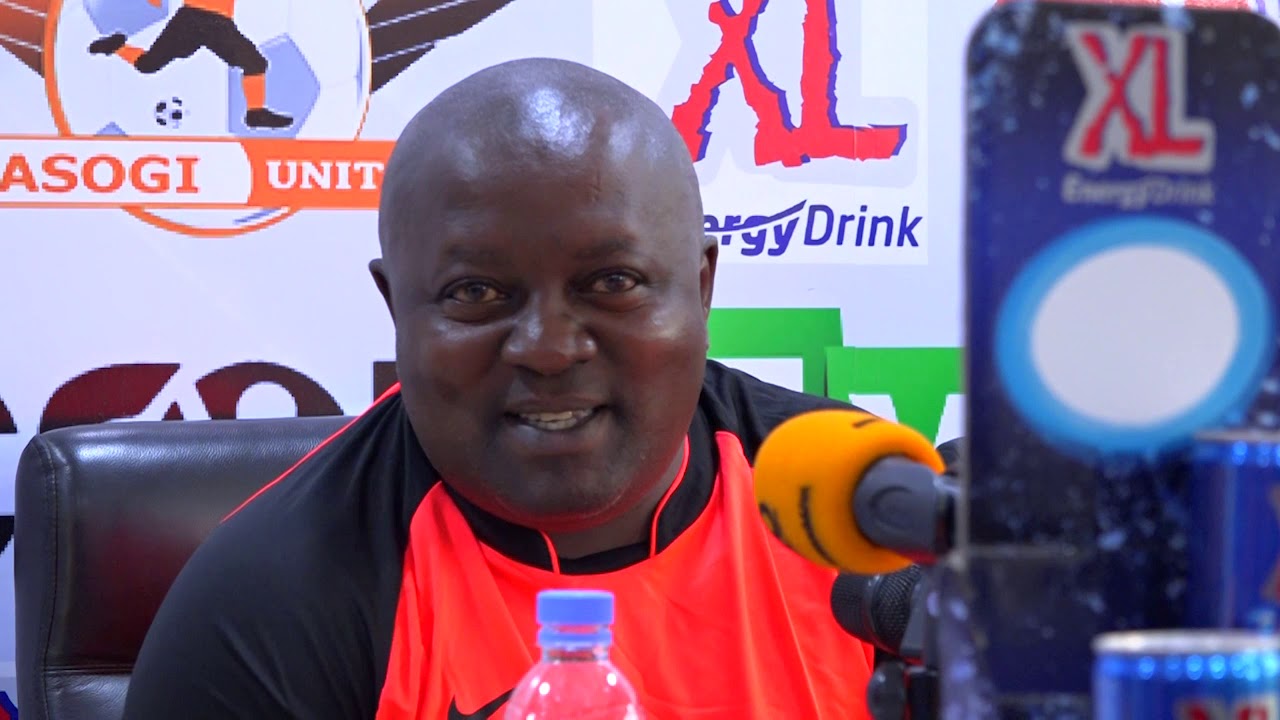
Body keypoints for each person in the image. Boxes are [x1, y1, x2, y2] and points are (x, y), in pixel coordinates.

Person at [122, 57, 896, 719]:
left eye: (613, 282)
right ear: (397, 309)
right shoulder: (269, 599)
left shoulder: (858, 512)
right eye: (476, 293)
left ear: (700, 288)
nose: (549, 350)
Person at [88, 0, 292, 129]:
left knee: (255, 63)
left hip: (214, 21)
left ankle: (255, 113)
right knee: (148, 65)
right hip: (195, 18)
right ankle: (116, 47)